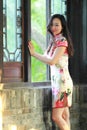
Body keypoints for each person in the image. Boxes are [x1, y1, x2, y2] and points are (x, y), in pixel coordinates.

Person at [28, 14, 74, 130]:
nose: (54, 27)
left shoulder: (62, 41)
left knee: (56, 117)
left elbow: (52, 61)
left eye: (57, 25)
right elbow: (46, 57)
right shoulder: (53, 41)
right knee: (64, 115)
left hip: (62, 83)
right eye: (52, 24)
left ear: (62, 26)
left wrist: (34, 54)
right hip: (58, 82)